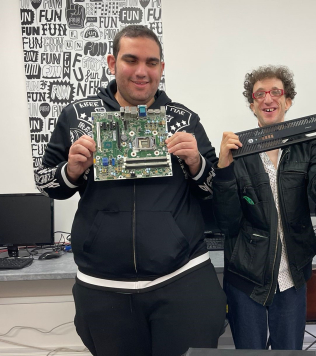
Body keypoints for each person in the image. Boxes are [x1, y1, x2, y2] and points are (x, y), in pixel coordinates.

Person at [34, 25, 226, 356]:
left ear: (161, 69)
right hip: (103, 288)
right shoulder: (77, 117)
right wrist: (72, 170)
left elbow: (217, 190)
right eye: (130, 60)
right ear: (112, 62)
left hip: (183, 280)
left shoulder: (184, 119)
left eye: (151, 62)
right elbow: (45, 182)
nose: (141, 71)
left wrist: (196, 162)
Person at [212, 65, 316, 350]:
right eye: (259, 94)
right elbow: (227, 222)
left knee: (289, 350)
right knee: (250, 351)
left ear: (288, 101)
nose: (268, 98)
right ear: (252, 104)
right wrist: (222, 169)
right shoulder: (236, 153)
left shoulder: (306, 148)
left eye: (276, 92)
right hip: (246, 277)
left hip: (292, 275)